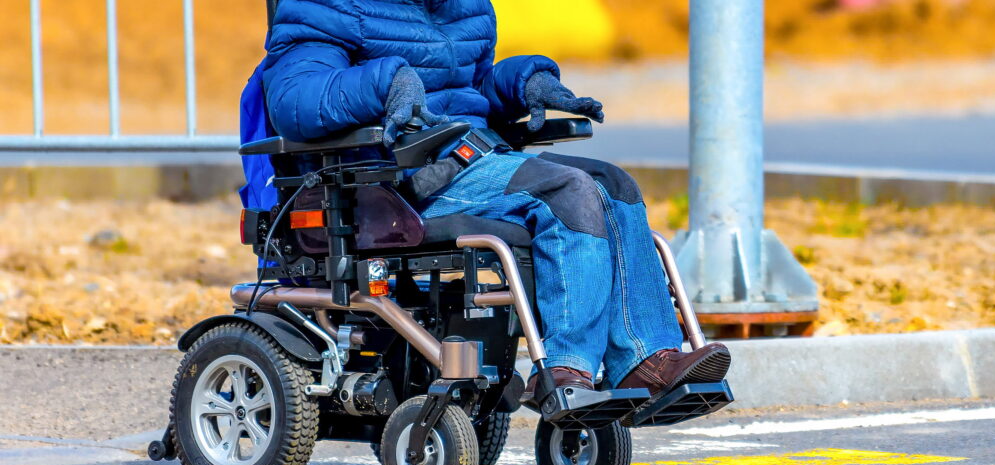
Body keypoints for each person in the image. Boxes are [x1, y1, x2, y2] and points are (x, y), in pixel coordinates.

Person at [257, 0, 731, 401]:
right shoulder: (327, 6)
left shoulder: (465, 7)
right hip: (393, 182)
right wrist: (387, 83)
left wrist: (527, 85)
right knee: (568, 192)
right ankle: (566, 371)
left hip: (472, 159)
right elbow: (295, 99)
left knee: (616, 186)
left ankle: (645, 359)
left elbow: (472, 89)